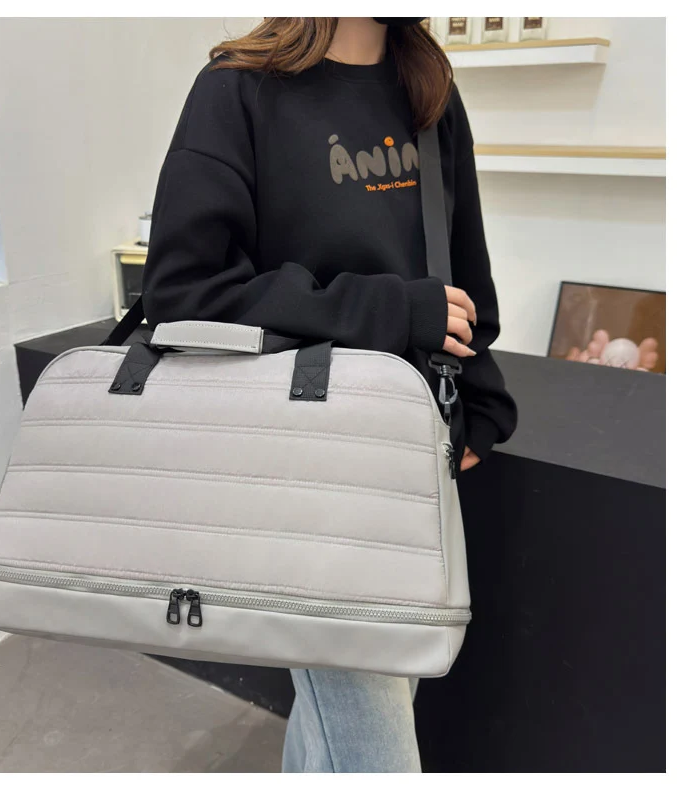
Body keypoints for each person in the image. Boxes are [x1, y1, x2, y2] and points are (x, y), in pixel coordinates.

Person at [142, 17, 518, 773]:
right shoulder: (236, 90)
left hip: (409, 455)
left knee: (344, 722)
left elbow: (462, 280)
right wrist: (386, 309)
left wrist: (477, 399)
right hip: (301, 464)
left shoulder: (430, 92)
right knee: (375, 750)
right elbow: (183, 290)